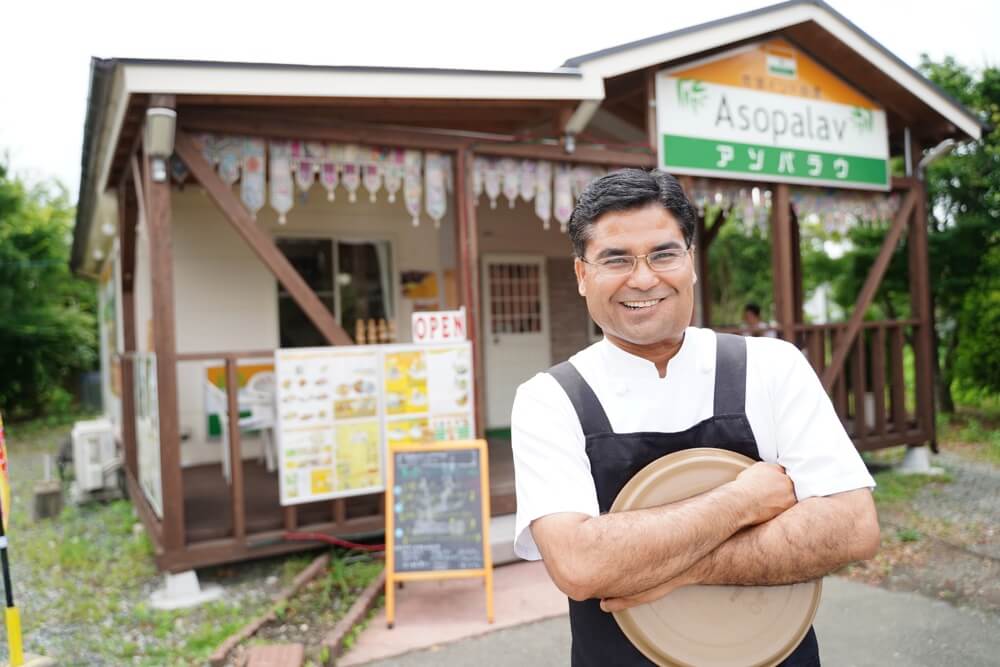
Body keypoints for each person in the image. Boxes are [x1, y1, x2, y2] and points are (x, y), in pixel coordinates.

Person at [511, 169, 878, 666]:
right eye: (615, 259)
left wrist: (674, 568)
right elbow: (579, 564)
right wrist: (740, 501)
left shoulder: (770, 366)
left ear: (690, 261)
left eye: (663, 254)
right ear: (581, 276)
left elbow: (852, 528)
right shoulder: (549, 399)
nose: (643, 278)